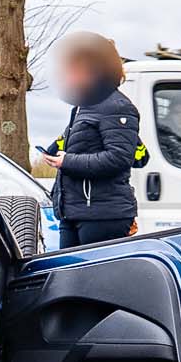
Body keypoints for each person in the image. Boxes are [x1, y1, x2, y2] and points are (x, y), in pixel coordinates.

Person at [38, 32, 145, 248]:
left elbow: (119, 158)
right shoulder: (83, 105)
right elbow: (77, 144)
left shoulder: (118, 107)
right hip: (73, 213)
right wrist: (52, 153)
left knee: (99, 281)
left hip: (102, 216)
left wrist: (67, 161)